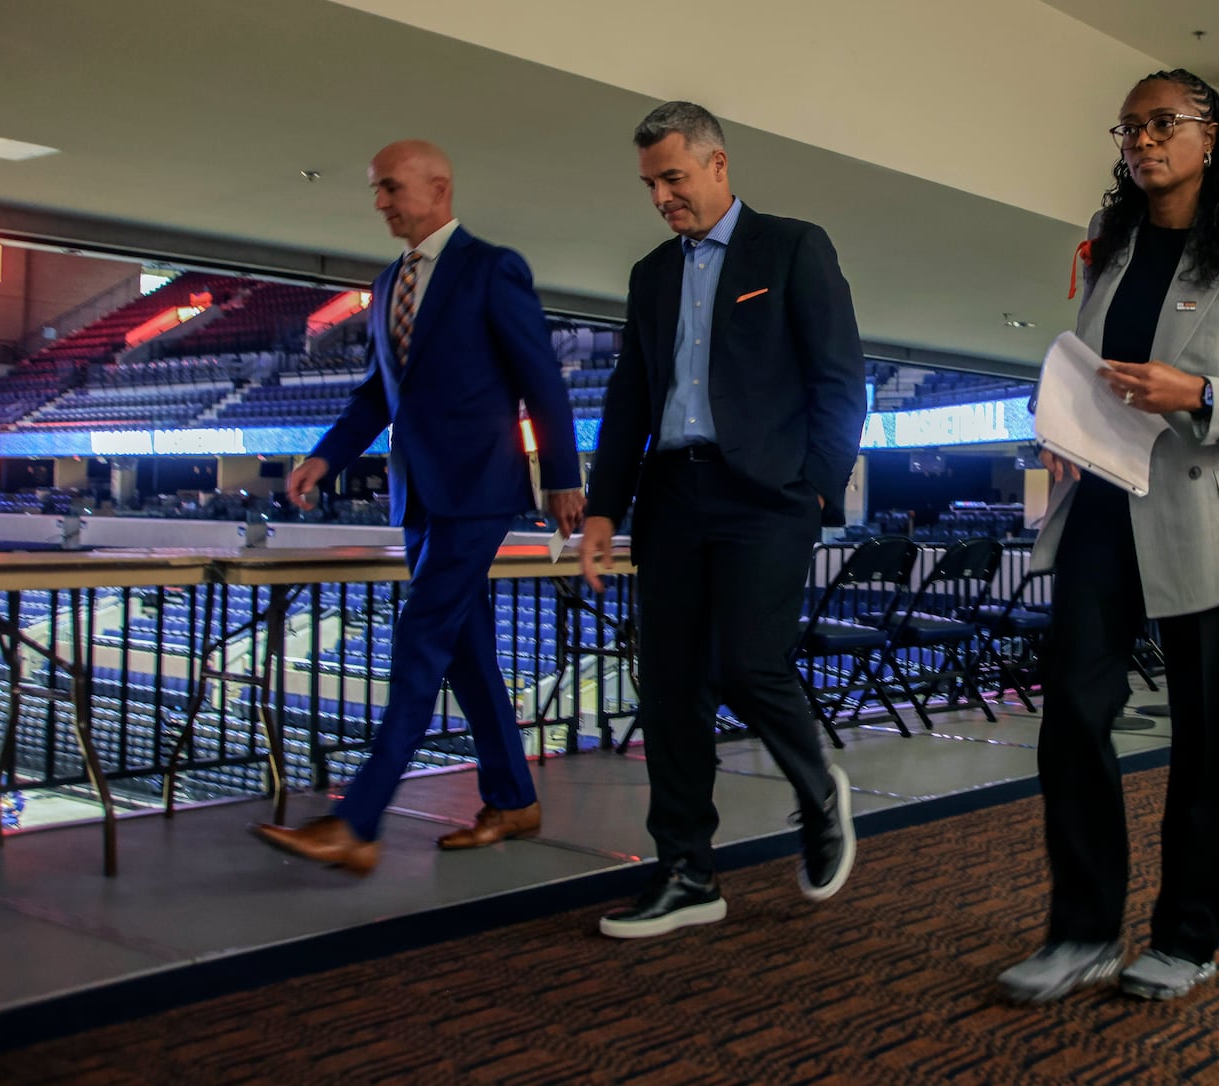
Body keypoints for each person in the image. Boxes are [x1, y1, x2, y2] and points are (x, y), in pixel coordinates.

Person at [997, 70, 1219, 1003]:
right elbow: (1095, 372)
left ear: (1210, 134)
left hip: (1209, 512)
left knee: (1207, 738)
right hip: (1103, 504)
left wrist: (1202, 394)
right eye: (1130, 127)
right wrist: (1060, 427)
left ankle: (1186, 936)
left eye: (1162, 122)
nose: (1141, 140)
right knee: (1071, 716)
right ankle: (1084, 929)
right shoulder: (1112, 248)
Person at [253, 140, 584, 875]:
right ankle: (513, 800)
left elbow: (543, 382)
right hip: (419, 495)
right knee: (465, 654)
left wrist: (563, 478)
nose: (380, 202)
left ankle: (357, 821)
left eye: (390, 188)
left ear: (439, 186)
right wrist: (325, 455)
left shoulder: (491, 268)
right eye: (375, 190)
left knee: (419, 641)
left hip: (477, 490)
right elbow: (379, 392)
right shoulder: (385, 283)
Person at [579, 102, 868, 938]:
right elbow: (630, 395)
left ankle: (819, 791)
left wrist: (816, 486)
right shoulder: (650, 273)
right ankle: (686, 873)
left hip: (766, 496)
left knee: (745, 662)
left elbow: (840, 377)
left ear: (717, 165)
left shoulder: (793, 246)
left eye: (673, 177)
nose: (663, 197)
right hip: (671, 495)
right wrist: (605, 506)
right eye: (650, 184)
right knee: (670, 688)